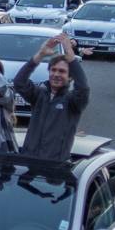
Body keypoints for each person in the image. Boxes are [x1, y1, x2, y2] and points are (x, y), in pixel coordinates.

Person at [14, 32, 91, 161]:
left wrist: (71, 57)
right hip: (28, 162)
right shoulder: (39, 95)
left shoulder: (72, 101)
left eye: (62, 71)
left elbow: (83, 88)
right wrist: (40, 54)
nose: (56, 74)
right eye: (53, 70)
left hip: (54, 169)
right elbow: (19, 82)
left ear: (70, 77)